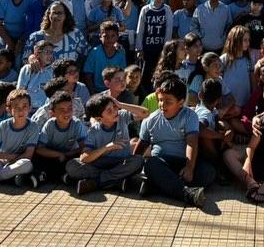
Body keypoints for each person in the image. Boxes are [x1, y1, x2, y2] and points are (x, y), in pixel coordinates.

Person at [135, 75, 214, 207]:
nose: (162, 105)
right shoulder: (150, 120)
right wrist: (132, 168)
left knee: (208, 172)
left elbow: (192, 143)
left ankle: (157, 185)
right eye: (161, 100)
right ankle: (187, 194)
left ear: (181, 102)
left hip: (183, 163)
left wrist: (189, 168)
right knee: (151, 165)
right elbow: (141, 146)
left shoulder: (190, 116)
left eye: (168, 102)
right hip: (162, 162)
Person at [68, 93, 147, 196]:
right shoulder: (94, 131)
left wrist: (121, 104)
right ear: (99, 118)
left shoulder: (122, 117)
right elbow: (84, 158)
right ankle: (114, 181)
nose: (114, 111)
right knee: (72, 165)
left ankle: (96, 182)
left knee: (138, 161)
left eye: (114, 107)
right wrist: (106, 148)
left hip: (121, 162)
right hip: (101, 164)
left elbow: (145, 113)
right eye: (109, 111)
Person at [23, 0, 86, 65]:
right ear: (48, 15)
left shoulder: (76, 35)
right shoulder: (35, 37)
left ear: (66, 15)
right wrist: (30, 58)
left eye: (60, 13)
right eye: (54, 13)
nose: (56, 16)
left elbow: (85, 56)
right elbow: (24, 59)